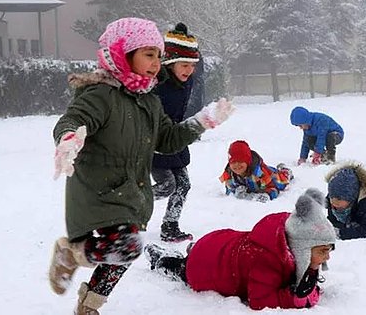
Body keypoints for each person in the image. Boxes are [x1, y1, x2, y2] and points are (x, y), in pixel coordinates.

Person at [47, 17, 234, 315]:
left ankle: (89, 305)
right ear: (123, 53)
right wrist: (68, 139)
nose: (156, 62)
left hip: (130, 191)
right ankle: (71, 253)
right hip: (98, 190)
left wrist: (202, 121)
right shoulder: (101, 94)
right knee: (129, 246)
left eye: (159, 55)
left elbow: (168, 139)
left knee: (124, 253)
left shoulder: (149, 101)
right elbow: (73, 119)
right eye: (148, 54)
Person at [143, 188, 337, 310]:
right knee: (183, 268)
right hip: (206, 268)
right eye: (323, 251)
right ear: (302, 248)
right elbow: (260, 301)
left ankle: (194, 250)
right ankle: (161, 259)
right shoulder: (267, 260)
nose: (327, 256)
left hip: (219, 243)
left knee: (204, 253)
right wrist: (291, 298)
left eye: (329, 249)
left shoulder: (291, 232)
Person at [151, 23, 200, 242]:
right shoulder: (156, 82)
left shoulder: (186, 81)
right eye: (184, 64)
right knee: (166, 185)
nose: (188, 70)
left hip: (175, 138)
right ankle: (130, 204)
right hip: (155, 143)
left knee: (184, 184)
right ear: (170, 62)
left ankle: (170, 226)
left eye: (192, 65)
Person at [219, 140, 293, 202]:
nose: (237, 165)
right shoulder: (229, 174)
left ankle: (285, 170)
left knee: (282, 180)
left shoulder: (260, 173)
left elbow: (274, 189)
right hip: (256, 181)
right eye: (233, 162)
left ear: (247, 161)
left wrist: (267, 195)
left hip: (271, 176)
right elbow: (229, 189)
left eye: (241, 161)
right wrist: (235, 192)